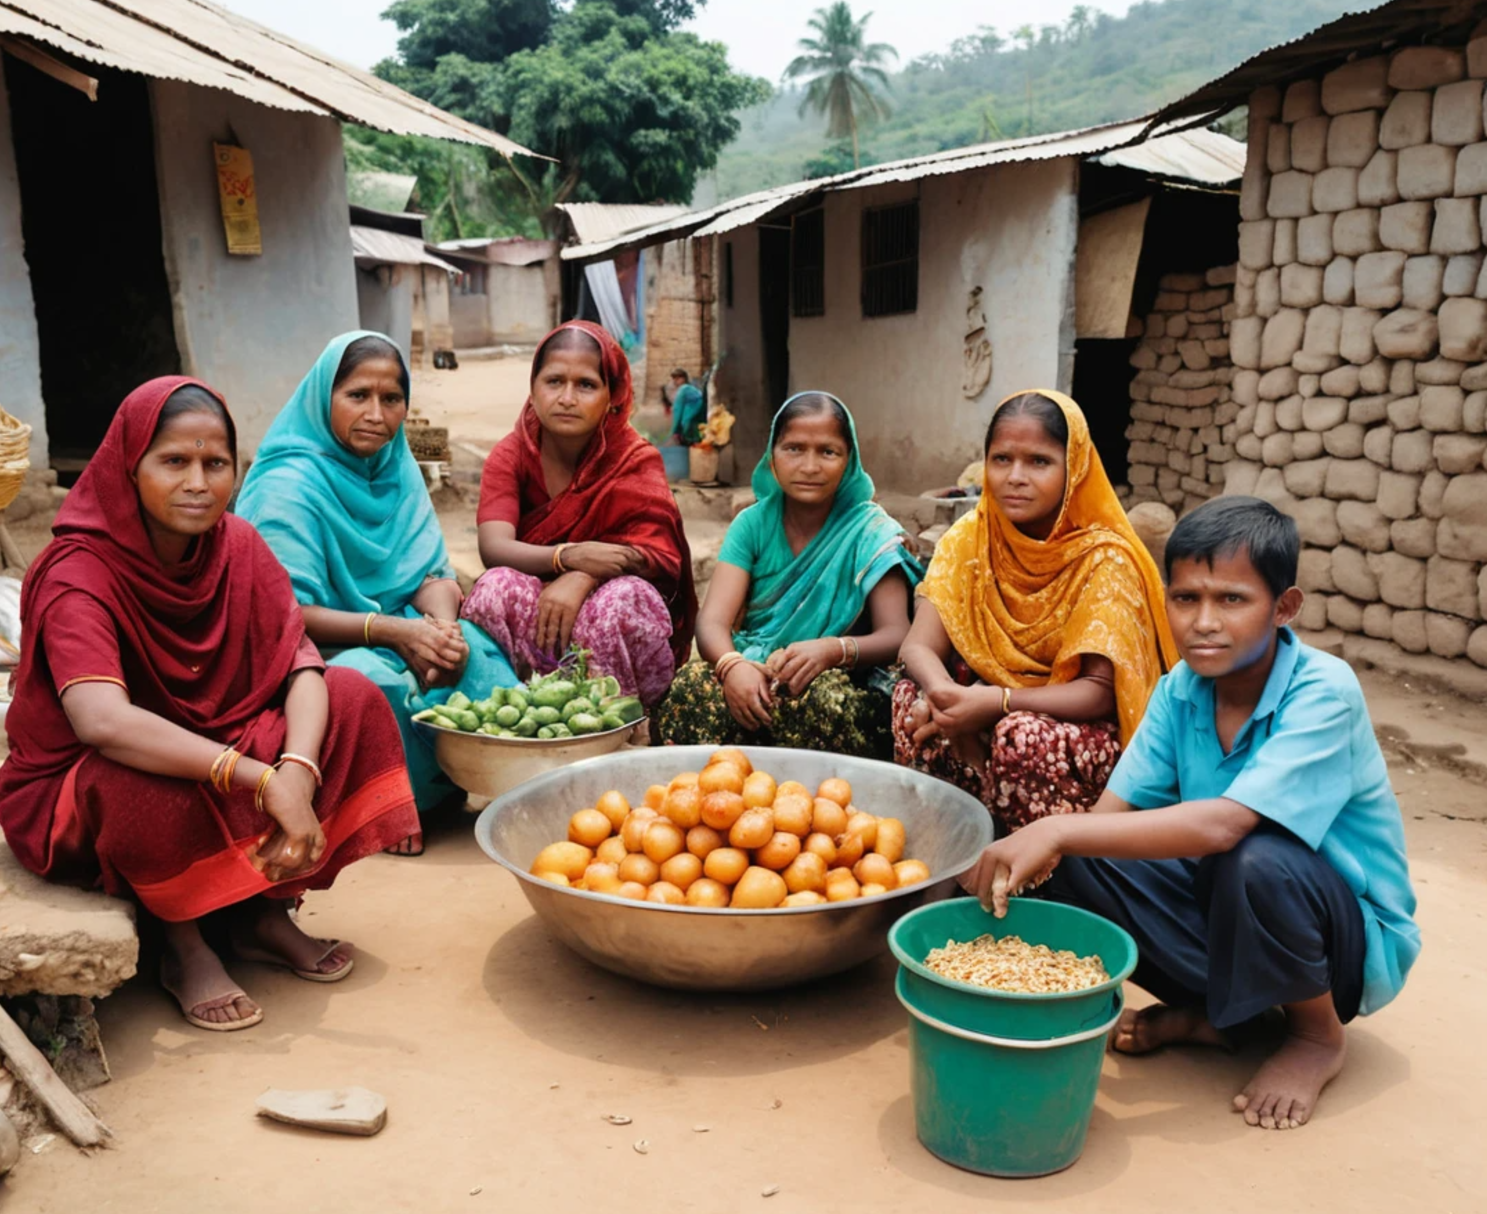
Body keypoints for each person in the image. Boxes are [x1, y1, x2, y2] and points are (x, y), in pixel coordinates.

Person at [960, 496, 1421, 1131]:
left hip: (1340, 938)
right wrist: (1047, 842)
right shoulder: (1181, 689)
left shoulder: (1324, 689)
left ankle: (1314, 1036)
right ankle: (1222, 1015)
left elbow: (1226, 826)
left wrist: (1058, 826)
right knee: (1080, 860)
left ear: (1283, 609)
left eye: (1232, 600)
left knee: (1255, 859)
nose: (1204, 621)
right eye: (1185, 599)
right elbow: (1110, 814)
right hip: (1229, 898)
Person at [0, 378, 419, 1031]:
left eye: (215, 463)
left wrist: (298, 772)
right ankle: (183, 943)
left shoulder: (237, 546)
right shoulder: (76, 569)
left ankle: (260, 912)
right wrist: (259, 777)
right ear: (128, 468)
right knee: (137, 782)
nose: (199, 481)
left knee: (351, 695)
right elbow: (101, 722)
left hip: (218, 742)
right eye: (174, 462)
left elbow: (302, 662)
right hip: (90, 780)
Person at [236, 332, 518, 848]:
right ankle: (387, 807)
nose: (376, 414)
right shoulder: (286, 486)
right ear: (325, 397)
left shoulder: (395, 465)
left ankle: (497, 786)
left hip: (401, 627)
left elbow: (431, 575)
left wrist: (441, 628)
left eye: (391, 399)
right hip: (315, 649)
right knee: (364, 682)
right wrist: (391, 632)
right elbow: (285, 617)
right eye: (357, 395)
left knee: (475, 653)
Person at [895, 390, 1175, 831]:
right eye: (1002, 459)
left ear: (1074, 468)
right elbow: (917, 645)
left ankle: (1042, 867)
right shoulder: (972, 535)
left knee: (1023, 735)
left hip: (1072, 726)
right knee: (911, 698)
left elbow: (1099, 691)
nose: (1015, 477)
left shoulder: (1103, 559)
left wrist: (995, 702)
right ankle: (946, 841)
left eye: (1039, 462)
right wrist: (946, 697)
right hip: (975, 707)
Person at [654, 392, 922, 759]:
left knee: (822, 708)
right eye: (794, 449)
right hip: (756, 665)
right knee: (690, 690)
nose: (810, 466)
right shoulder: (752, 524)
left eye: (828, 452)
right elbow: (713, 621)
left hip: (842, 678)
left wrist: (832, 650)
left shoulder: (871, 532)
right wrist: (734, 667)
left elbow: (897, 635)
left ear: (849, 460)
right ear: (772, 456)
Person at [461, 322, 695, 707]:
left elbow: (658, 557)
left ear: (612, 396)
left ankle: (620, 725)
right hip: (538, 621)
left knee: (623, 598)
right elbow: (494, 547)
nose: (567, 397)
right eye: (554, 381)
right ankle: (512, 715)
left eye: (586, 384)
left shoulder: (634, 461)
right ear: (533, 390)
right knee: (496, 587)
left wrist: (583, 576)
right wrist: (565, 556)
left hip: (608, 618)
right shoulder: (513, 454)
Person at [668, 369, 707, 446]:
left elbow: (677, 410)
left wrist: (674, 431)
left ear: (684, 378)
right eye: (674, 379)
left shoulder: (684, 389)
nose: (675, 381)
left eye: (678, 378)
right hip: (699, 426)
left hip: (689, 427)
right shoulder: (692, 389)